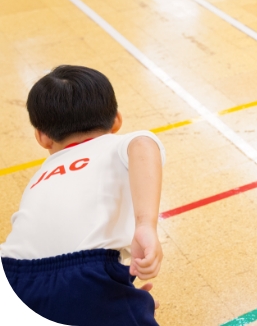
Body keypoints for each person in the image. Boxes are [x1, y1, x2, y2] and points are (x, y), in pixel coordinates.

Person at [0, 65, 164, 326]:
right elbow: (143, 144)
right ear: (117, 121)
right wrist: (146, 225)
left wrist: (124, 296)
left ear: (42, 137)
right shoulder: (118, 143)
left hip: (11, 275)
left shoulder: (40, 174)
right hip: (86, 272)